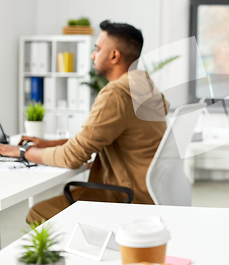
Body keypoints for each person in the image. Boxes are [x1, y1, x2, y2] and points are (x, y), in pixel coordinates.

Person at [0, 20, 169, 223]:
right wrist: (47, 144)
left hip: (125, 196)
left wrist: (20, 152)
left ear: (114, 55)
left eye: (97, 49)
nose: (92, 55)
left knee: (37, 212)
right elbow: (95, 138)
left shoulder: (116, 94)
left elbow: (72, 157)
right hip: (148, 191)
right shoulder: (146, 87)